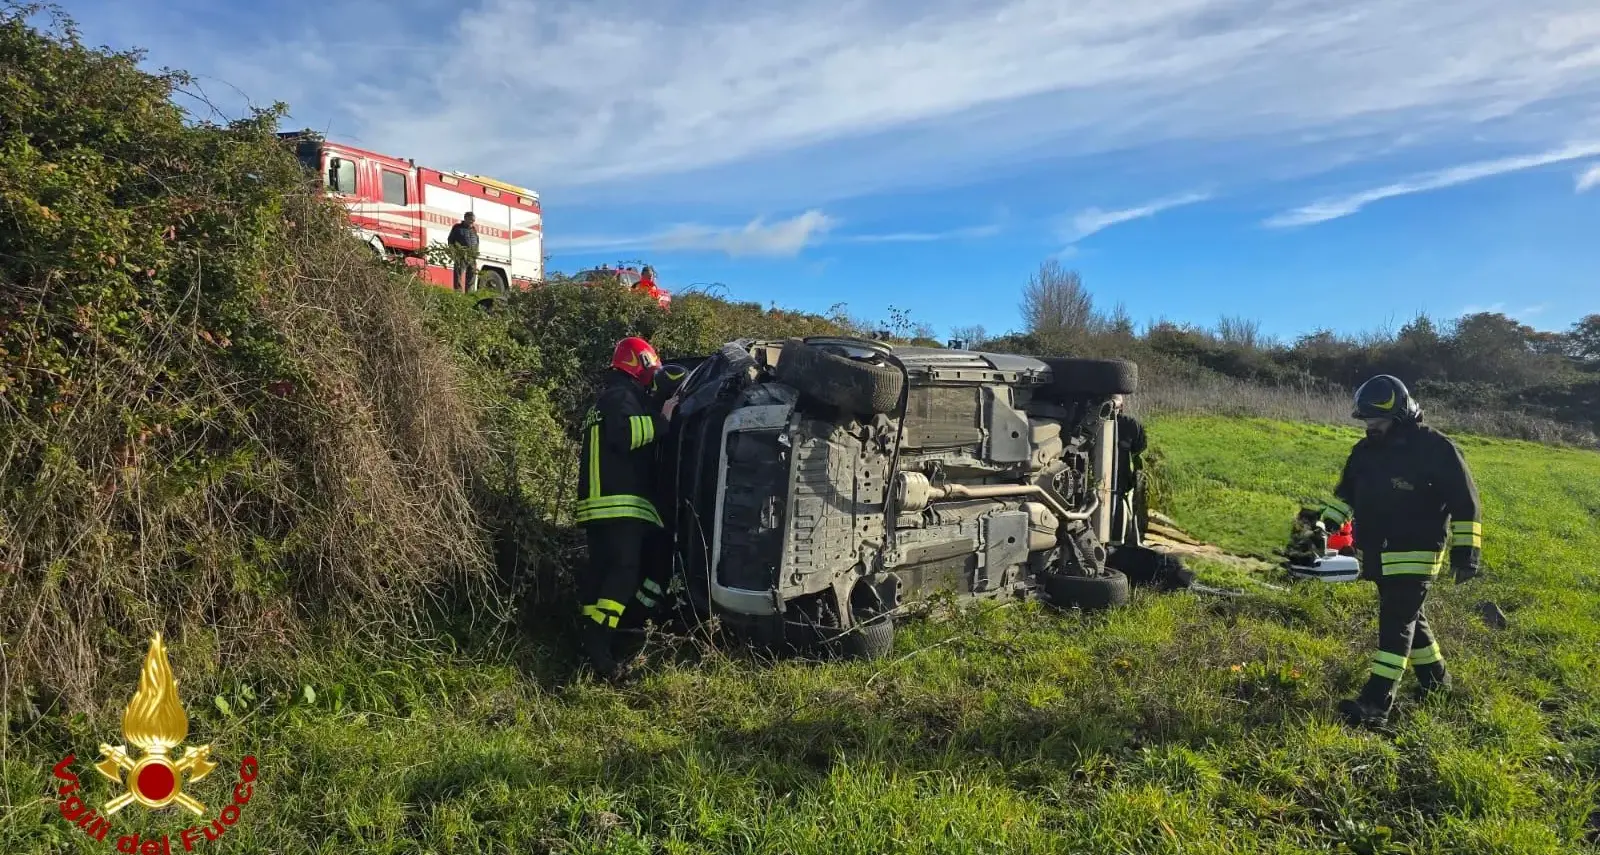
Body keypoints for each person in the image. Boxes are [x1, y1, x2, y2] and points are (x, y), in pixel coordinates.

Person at [1311, 374, 1482, 728]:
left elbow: (1466, 502)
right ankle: (1437, 683)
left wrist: (1467, 553)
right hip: (1377, 552)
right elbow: (1345, 496)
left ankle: (1376, 703)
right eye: (1367, 420)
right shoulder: (1364, 453)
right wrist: (1323, 527)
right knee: (1411, 620)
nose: (1371, 426)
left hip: (1417, 552)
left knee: (1395, 625)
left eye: (1378, 420)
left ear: (1401, 413)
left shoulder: (1435, 448)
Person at [575, 336, 669, 678]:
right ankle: (600, 643)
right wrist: (664, 420)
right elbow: (625, 436)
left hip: (599, 506)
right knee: (623, 572)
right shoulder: (620, 397)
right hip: (617, 504)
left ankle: (595, 638)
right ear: (639, 364)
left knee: (602, 573)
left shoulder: (606, 399)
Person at [1110, 396, 1148, 545]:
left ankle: (1125, 542)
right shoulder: (1090, 424)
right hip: (1110, 482)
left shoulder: (1130, 425)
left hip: (1123, 483)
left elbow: (1139, 450)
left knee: (1126, 513)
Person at [447, 212, 479, 292]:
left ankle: (469, 294)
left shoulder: (473, 230)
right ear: (465, 218)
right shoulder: (457, 228)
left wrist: (475, 254)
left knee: (472, 277)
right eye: (471, 220)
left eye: (473, 221)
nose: (472, 222)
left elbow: (476, 242)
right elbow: (450, 240)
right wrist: (453, 252)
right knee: (458, 276)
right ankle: (458, 294)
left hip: (471, 257)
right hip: (460, 255)